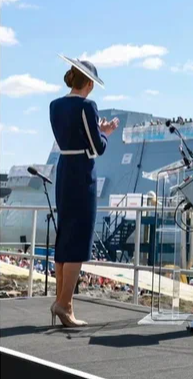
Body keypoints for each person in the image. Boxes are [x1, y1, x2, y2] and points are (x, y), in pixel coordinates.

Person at [49, 56, 119, 328]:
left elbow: (72, 134)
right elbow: (97, 147)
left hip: (64, 169)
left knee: (65, 236)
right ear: (89, 83)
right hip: (81, 173)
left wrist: (95, 130)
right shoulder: (88, 106)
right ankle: (64, 304)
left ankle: (63, 302)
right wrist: (106, 132)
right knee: (78, 240)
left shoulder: (55, 105)